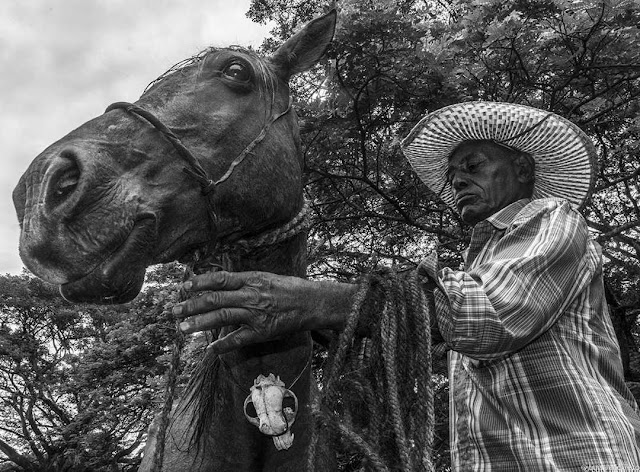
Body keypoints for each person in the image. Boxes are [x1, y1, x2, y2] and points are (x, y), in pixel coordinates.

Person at [171, 101, 640, 470]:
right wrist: (336, 327)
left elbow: (493, 313)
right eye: (454, 178)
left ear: (523, 169)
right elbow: (431, 337)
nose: (459, 182)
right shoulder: (478, 263)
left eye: (474, 167)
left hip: (572, 457)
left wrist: (321, 301)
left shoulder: (551, 218)